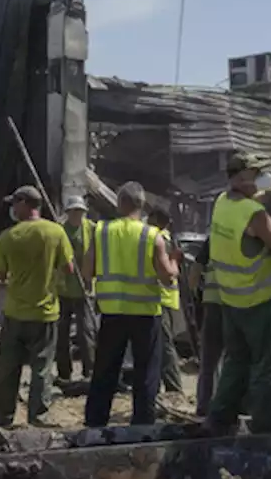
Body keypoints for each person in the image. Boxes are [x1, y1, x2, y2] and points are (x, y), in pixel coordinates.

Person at [206, 155, 271, 435]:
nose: (260, 178)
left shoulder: (222, 203)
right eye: (255, 173)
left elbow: (259, 195)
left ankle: (219, 420)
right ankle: (266, 430)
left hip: (232, 302)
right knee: (265, 369)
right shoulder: (254, 214)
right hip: (260, 303)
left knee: (235, 363)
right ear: (240, 178)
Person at [83, 181, 179, 427]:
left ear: (119, 202)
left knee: (104, 370)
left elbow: (86, 271)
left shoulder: (101, 231)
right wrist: (174, 262)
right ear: (142, 205)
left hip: (112, 312)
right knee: (146, 373)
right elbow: (167, 278)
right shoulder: (152, 235)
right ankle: (143, 424)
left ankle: (95, 422)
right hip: (145, 314)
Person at [0, 186, 74, 428]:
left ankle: (3, 418)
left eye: (15, 204)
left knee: (8, 369)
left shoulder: (9, 236)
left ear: (25, 204)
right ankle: (38, 416)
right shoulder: (56, 232)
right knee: (41, 368)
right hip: (45, 312)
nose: (12, 209)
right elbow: (68, 268)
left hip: (15, 312)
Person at [55, 196, 97, 383]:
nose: (77, 215)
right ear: (68, 213)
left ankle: (90, 371)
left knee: (86, 331)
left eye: (80, 211)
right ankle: (64, 373)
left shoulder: (91, 228)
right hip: (64, 289)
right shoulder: (60, 231)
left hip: (84, 289)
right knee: (61, 333)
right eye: (74, 211)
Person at [147, 208, 186, 406]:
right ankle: (169, 385)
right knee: (161, 345)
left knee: (164, 345)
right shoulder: (167, 238)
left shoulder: (160, 239)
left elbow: (168, 271)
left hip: (161, 297)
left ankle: (174, 387)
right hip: (165, 297)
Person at [187, 236, 221, 417]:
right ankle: (231, 406)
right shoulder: (250, 231)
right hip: (240, 305)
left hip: (213, 303)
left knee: (209, 360)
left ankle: (204, 406)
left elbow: (195, 270)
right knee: (237, 359)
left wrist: (194, 296)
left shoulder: (215, 237)